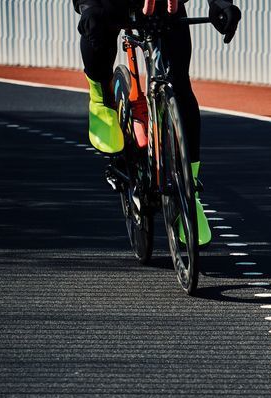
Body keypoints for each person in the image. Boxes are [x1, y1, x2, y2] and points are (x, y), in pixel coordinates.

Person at [74, 0, 241, 246]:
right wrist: (87, 7)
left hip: (164, 6)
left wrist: (220, 3)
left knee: (180, 87)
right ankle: (101, 99)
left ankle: (188, 186)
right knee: (97, 33)